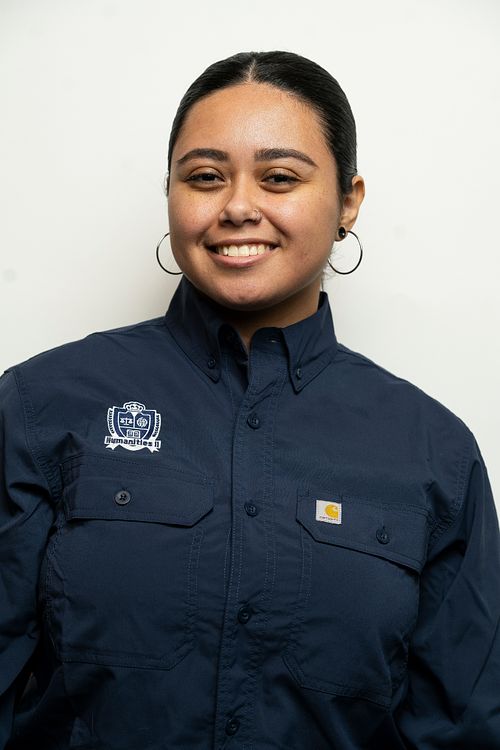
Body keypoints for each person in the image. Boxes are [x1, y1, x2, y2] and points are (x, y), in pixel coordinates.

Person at [0, 50, 499, 750]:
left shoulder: (435, 452)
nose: (237, 207)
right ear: (170, 193)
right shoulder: (41, 405)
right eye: (205, 177)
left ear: (348, 201)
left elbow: (464, 728)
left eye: (279, 177)